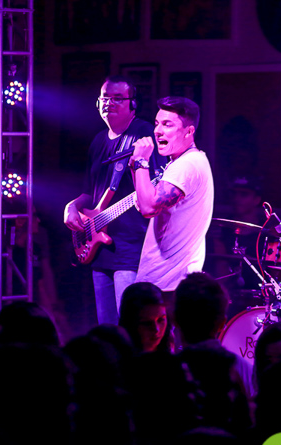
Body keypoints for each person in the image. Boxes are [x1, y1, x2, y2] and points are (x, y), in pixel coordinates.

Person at [64, 76, 166, 325]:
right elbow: (90, 193)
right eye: (105, 98)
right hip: (99, 247)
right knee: (108, 328)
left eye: (118, 98)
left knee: (130, 325)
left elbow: (158, 184)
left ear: (133, 104)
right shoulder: (98, 141)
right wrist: (72, 206)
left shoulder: (143, 134)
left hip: (131, 248)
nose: (110, 103)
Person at [132, 96, 214, 294]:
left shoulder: (186, 165)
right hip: (167, 282)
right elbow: (143, 201)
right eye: (157, 123)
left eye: (167, 124)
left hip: (168, 286)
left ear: (189, 131)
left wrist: (141, 162)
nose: (157, 131)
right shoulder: (182, 162)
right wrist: (136, 165)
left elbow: (148, 208)